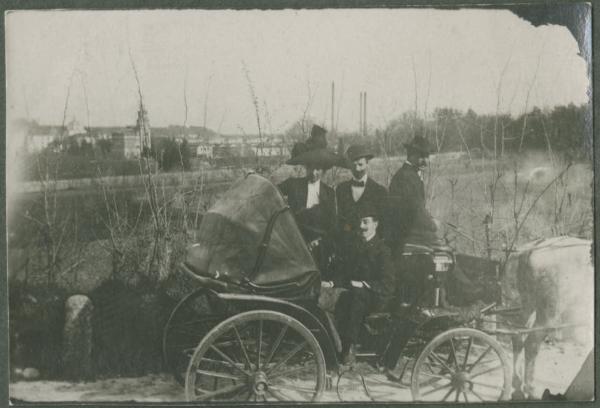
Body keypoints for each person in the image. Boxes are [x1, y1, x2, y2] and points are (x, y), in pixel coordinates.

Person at [381, 133, 444, 380]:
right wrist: (433, 226)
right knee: (414, 305)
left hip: (409, 244)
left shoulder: (407, 177)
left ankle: (389, 359)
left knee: (409, 305)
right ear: (413, 155)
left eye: (426, 156)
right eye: (423, 156)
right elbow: (415, 213)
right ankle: (391, 361)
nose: (426, 161)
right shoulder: (407, 179)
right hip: (409, 248)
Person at [323, 204, 395, 365]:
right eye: (360, 222)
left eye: (366, 222)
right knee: (327, 298)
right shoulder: (354, 246)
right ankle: (333, 342)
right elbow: (346, 272)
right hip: (353, 292)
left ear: (375, 224)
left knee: (356, 296)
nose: (361, 227)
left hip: (376, 297)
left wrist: (363, 284)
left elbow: (387, 284)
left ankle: (350, 347)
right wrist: (332, 282)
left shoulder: (383, 250)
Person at [278, 125, 342, 276]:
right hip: (295, 244)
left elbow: (331, 225)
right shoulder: (293, 185)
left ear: (324, 170)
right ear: (306, 167)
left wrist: (320, 242)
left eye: (318, 169)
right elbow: (272, 193)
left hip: (319, 248)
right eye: (311, 168)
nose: (314, 173)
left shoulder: (329, 193)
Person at [336, 145, 388, 256]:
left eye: (361, 164)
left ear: (367, 163)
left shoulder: (379, 191)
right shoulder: (341, 190)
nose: (357, 169)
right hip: (347, 249)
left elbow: (383, 226)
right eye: (353, 165)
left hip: (370, 251)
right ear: (349, 164)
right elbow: (341, 221)